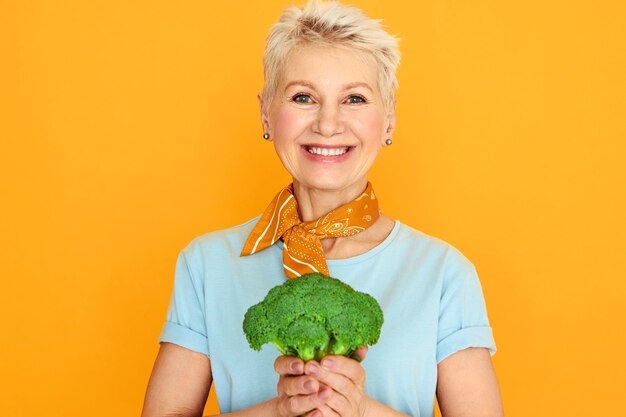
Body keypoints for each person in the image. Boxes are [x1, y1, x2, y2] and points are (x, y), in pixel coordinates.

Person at [141, 0, 504, 416]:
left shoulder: (443, 273)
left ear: (389, 121)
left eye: (354, 99)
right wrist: (278, 410)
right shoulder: (205, 266)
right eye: (302, 97)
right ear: (265, 114)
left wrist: (360, 409)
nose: (328, 124)